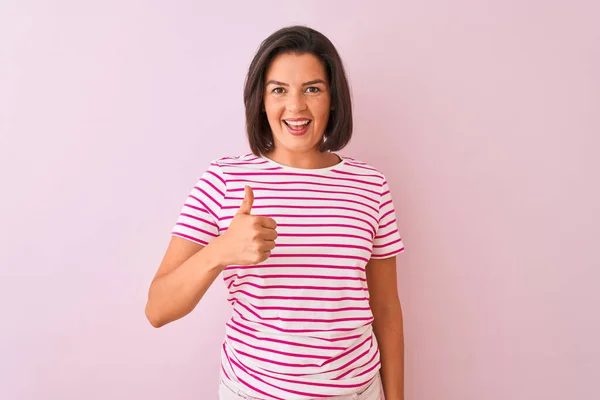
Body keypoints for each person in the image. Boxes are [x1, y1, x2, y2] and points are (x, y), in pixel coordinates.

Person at [145, 25, 405, 400]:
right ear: (261, 100)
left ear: (333, 99)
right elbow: (157, 309)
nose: (296, 107)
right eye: (279, 90)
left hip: (359, 392)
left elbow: (386, 309)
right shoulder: (224, 180)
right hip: (253, 393)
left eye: (312, 89)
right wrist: (220, 251)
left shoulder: (370, 186)